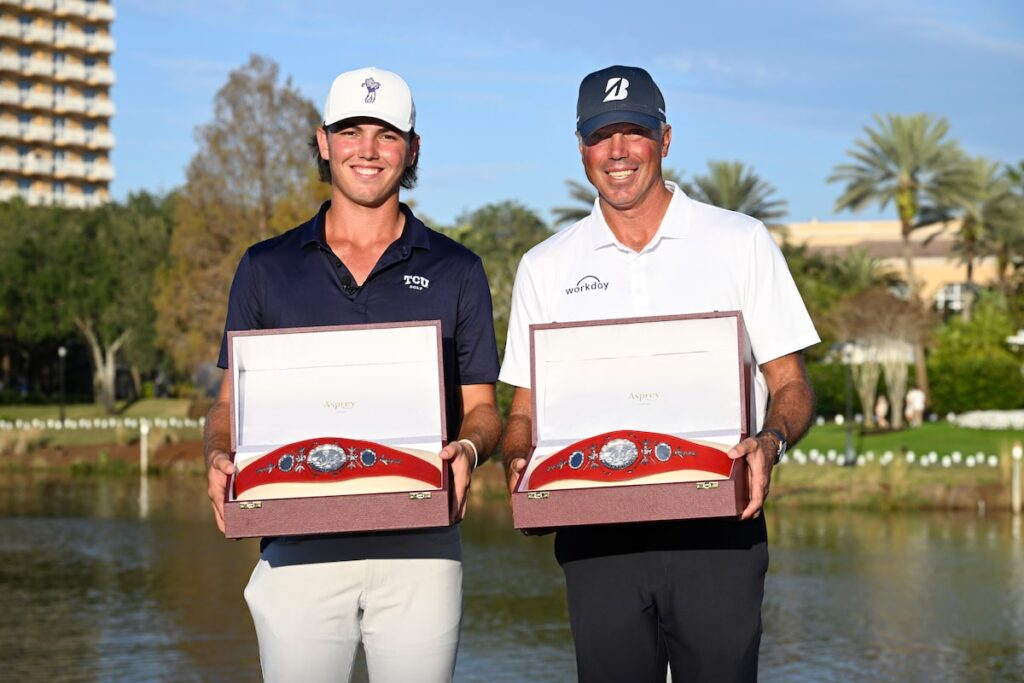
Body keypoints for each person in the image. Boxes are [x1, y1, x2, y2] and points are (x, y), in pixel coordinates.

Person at [499, 65, 819, 682]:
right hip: (597, 535)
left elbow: (791, 385)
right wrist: (520, 462)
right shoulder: (545, 265)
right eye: (600, 136)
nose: (617, 152)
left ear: (665, 139)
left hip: (718, 529)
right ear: (581, 147)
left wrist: (771, 442)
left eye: (633, 132)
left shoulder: (739, 240)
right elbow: (523, 414)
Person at [204, 66, 502, 683]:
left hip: (421, 547)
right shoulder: (265, 267)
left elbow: (483, 408)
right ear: (323, 141)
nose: (367, 150)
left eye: (387, 134)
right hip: (296, 548)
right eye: (351, 131)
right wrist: (217, 453)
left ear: (412, 149)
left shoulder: (458, 269)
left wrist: (470, 448)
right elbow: (229, 405)